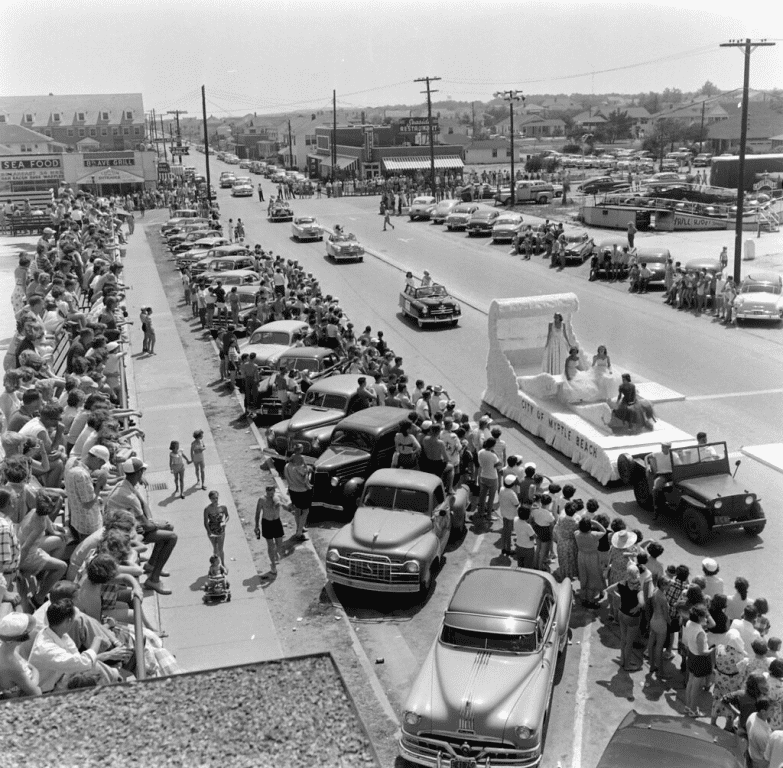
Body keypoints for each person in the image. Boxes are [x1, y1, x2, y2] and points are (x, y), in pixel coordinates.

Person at [105, 458, 177, 595]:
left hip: (127, 525)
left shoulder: (125, 484)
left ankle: (151, 565)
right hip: (122, 535)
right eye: (142, 471)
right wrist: (155, 524)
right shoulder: (128, 496)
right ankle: (153, 580)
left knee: (168, 527)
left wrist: (151, 521)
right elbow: (147, 525)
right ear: (138, 473)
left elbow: (144, 504)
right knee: (172, 537)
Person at [28, 599, 128, 692]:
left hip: (62, 677)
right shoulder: (46, 648)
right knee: (91, 676)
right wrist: (97, 641)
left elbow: (79, 660)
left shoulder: (59, 634)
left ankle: (116, 678)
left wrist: (107, 655)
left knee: (96, 668)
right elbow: (83, 662)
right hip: (47, 692)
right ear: (69, 621)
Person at [0, 613, 41, 697]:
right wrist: (35, 675)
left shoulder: (6, 649)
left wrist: (34, 672)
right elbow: (37, 693)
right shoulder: (11, 665)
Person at [613, 565, 645, 671]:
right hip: (632, 617)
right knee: (629, 643)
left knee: (623, 639)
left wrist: (618, 596)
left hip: (622, 613)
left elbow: (608, 590)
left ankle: (622, 660)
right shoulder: (638, 587)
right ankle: (627, 665)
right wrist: (636, 608)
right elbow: (642, 603)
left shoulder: (622, 583)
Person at [683, 605, 713, 717]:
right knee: (696, 688)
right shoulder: (700, 633)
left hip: (691, 656)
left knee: (690, 682)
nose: (706, 618)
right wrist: (712, 649)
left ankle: (687, 706)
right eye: (704, 616)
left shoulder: (689, 623)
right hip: (700, 660)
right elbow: (702, 652)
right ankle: (693, 710)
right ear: (699, 618)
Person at [575, 516, 606, 607]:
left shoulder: (576, 534)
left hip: (581, 556)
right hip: (592, 557)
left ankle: (584, 597)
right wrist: (595, 522)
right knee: (593, 577)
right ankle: (590, 600)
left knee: (584, 576)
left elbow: (577, 528)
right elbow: (604, 531)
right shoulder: (594, 535)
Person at [255, 485, 285, 576]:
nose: (270, 495)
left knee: (279, 544)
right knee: (270, 544)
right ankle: (273, 565)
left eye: (272, 493)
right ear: (266, 492)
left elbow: (284, 505)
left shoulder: (278, 497)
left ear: (274, 491)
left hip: (276, 522)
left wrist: (289, 508)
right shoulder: (262, 499)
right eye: (268, 493)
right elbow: (258, 512)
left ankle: (275, 553)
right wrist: (256, 526)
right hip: (267, 523)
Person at [284, 445, 312, 540]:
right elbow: (304, 478)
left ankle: (299, 527)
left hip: (292, 490)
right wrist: (308, 472)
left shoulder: (287, 466)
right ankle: (299, 532)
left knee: (297, 509)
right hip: (302, 491)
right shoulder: (300, 467)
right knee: (305, 511)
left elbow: (287, 478)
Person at [203, 491, 229, 566]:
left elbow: (227, 516)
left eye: (216, 498)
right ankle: (216, 564)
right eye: (213, 498)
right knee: (215, 548)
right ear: (210, 499)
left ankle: (223, 564)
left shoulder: (223, 507)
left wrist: (224, 522)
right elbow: (205, 522)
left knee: (220, 548)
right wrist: (209, 532)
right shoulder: (207, 509)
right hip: (212, 530)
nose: (215, 500)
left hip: (221, 530)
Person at [746, 699, 772, 768]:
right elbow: (769, 754)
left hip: (753, 752)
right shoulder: (761, 734)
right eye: (771, 710)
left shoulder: (753, 715)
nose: (775, 712)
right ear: (763, 712)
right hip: (761, 763)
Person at [498, 475, 520, 556]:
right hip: (511, 515)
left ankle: (503, 548)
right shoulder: (512, 493)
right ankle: (508, 550)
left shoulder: (501, 489)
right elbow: (517, 504)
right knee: (509, 532)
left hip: (504, 513)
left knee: (504, 530)